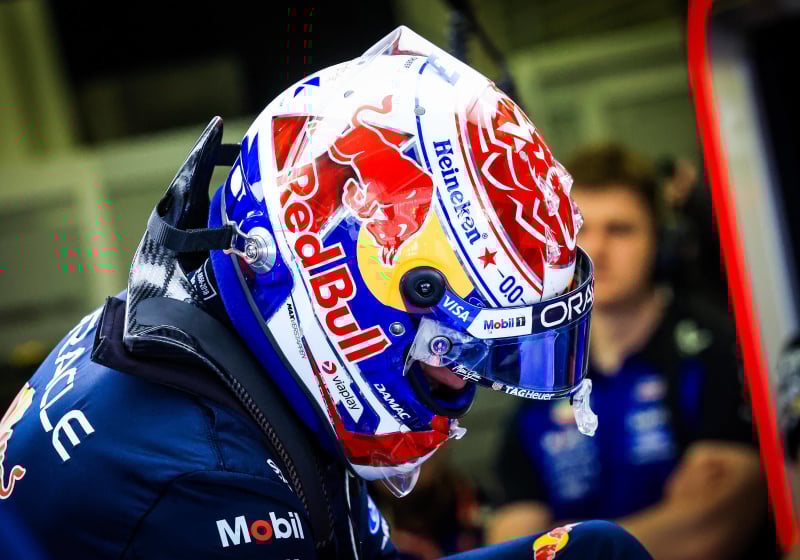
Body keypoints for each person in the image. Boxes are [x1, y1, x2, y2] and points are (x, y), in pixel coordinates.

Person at [0, 27, 652, 559]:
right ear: (346, 289)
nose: (460, 385)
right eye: (455, 350)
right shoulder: (211, 481)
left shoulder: (209, 343)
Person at [489, 143, 771, 559]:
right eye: (580, 231)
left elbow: (710, 526)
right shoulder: (538, 378)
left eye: (620, 229)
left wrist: (559, 547)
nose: (596, 249)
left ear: (660, 240)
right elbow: (507, 542)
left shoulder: (715, 350)